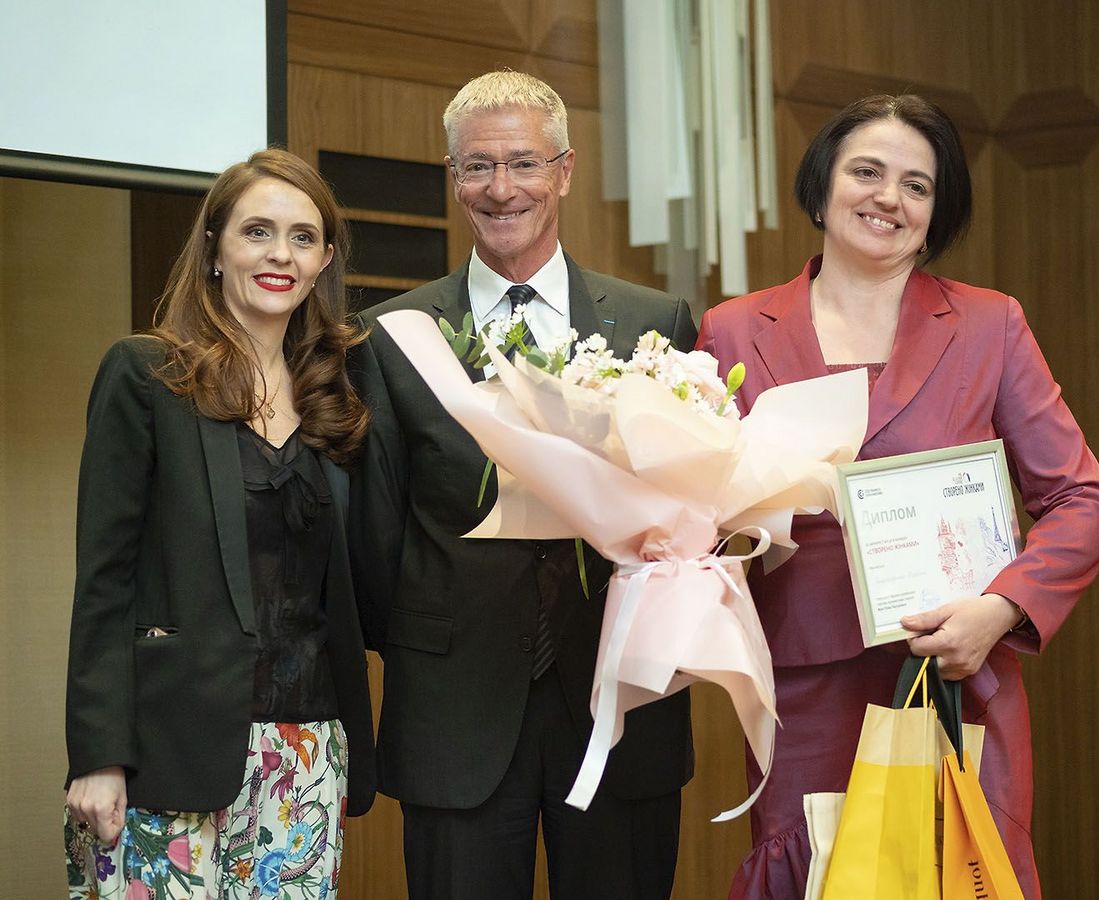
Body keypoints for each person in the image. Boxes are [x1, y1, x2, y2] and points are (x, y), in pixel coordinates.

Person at [696, 94, 1099, 900]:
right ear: (823, 186)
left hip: (957, 676)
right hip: (804, 685)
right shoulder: (734, 330)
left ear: (934, 215)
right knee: (814, 876)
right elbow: (696, 512)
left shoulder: (991, 325)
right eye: (867, 172)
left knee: (959, 874)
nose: (889, 197)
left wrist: (1000, 609)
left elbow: (1082, 501)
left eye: (917, 185)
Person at [349, 70, 696, 900]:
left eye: (524, 163)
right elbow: (373, 538)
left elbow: (690, 507)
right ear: (453, 176)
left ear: (565, 171)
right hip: (455, 708)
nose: (501, 188)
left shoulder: (655, 324)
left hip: (618, 703)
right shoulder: (391, 336)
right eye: (477, 166)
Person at [64, 149, 376, 900]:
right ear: (214, 248)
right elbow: (104, 581)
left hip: (306, 756)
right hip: (165, 750)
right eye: (257, 232)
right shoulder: (147, 375)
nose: (280, 255)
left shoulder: (338, 398)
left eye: (303, 238)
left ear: (324, 262)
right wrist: (98, 753)